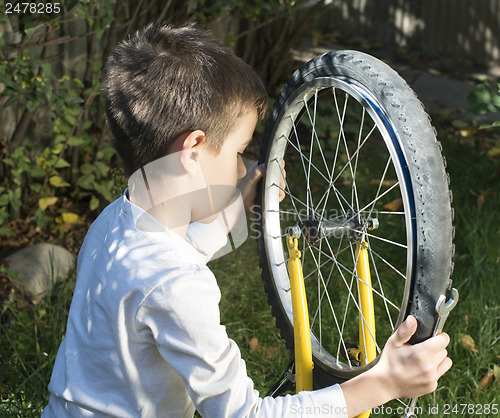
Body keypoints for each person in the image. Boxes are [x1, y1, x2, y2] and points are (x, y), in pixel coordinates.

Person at [42, 23, 452, 417]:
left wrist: (236, 206)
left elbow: (178, 254)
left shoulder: (116, 222)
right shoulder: (177, 288)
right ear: (194, 150)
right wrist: (382, 385)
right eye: (238, 152)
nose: (241, 169)